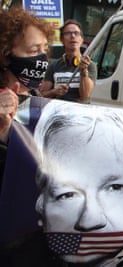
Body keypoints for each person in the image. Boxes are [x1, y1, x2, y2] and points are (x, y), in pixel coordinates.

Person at [33, 101, 123, 266]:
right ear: (42, 203)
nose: (89, 220)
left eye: (115, 188)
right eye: (67, 194)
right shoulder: (17, 254)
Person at [0, 6, 53, 247]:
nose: (41, 59)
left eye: (44, 50)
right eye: (34, 51)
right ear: (7, 54)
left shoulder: (38, 104)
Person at [40, 19, 97, 103]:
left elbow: (85, 96)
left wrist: (83, 70)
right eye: (68, 33)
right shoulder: (54, 65)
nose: (73, 36)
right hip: (58, 111)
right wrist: (54, 92)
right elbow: (42, 95)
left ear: (81, 40)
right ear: (61, 40)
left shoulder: (90, 65)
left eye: (76, 33)